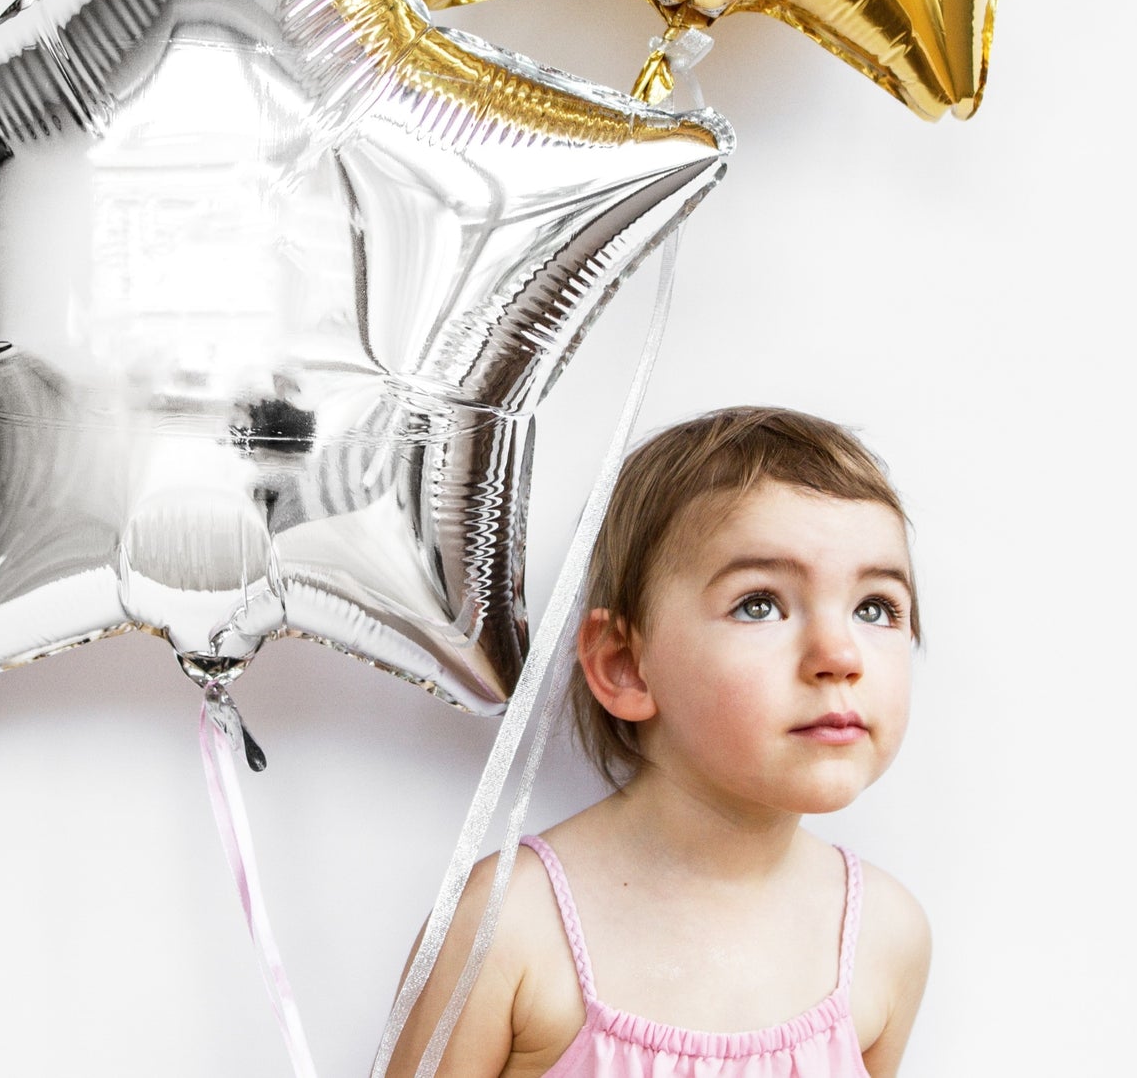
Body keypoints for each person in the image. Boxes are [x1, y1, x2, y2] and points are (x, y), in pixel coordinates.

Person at [384, 406, 932, 1077]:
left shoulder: (885, 936)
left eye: (875, 607)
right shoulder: (509, 930)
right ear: (625, 665)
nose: (839, 654)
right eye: (759, 602)